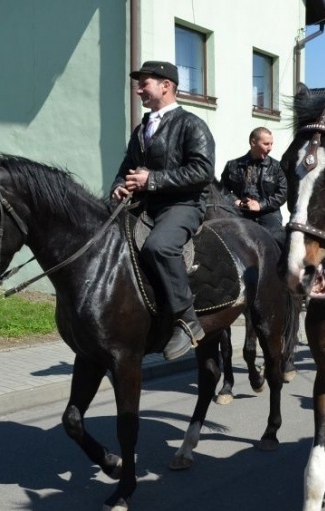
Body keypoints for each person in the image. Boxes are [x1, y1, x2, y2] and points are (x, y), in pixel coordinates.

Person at [110, 60, 216, 360]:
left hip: (183, 204)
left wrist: (152, 180)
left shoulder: (191, 124)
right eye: (139, 84)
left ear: (165, 86)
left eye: (144, 83)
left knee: (158, 247)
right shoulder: (142, 128)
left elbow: (203, 171)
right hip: (145, 204)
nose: (139, 89)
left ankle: (187, 319)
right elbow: (126, 167)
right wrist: (120, 185)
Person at [220, 127, 288, 248]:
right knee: (225, 239)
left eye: (271, 144)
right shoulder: (233, 165)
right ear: (253, 142)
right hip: (239, 212)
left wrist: (261, 205)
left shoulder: (277, 167)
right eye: (266, 144)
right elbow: (222, 189)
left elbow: (282, 194)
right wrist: (235, 201)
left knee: (278, 240)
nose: (270, 148)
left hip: (268, 213)